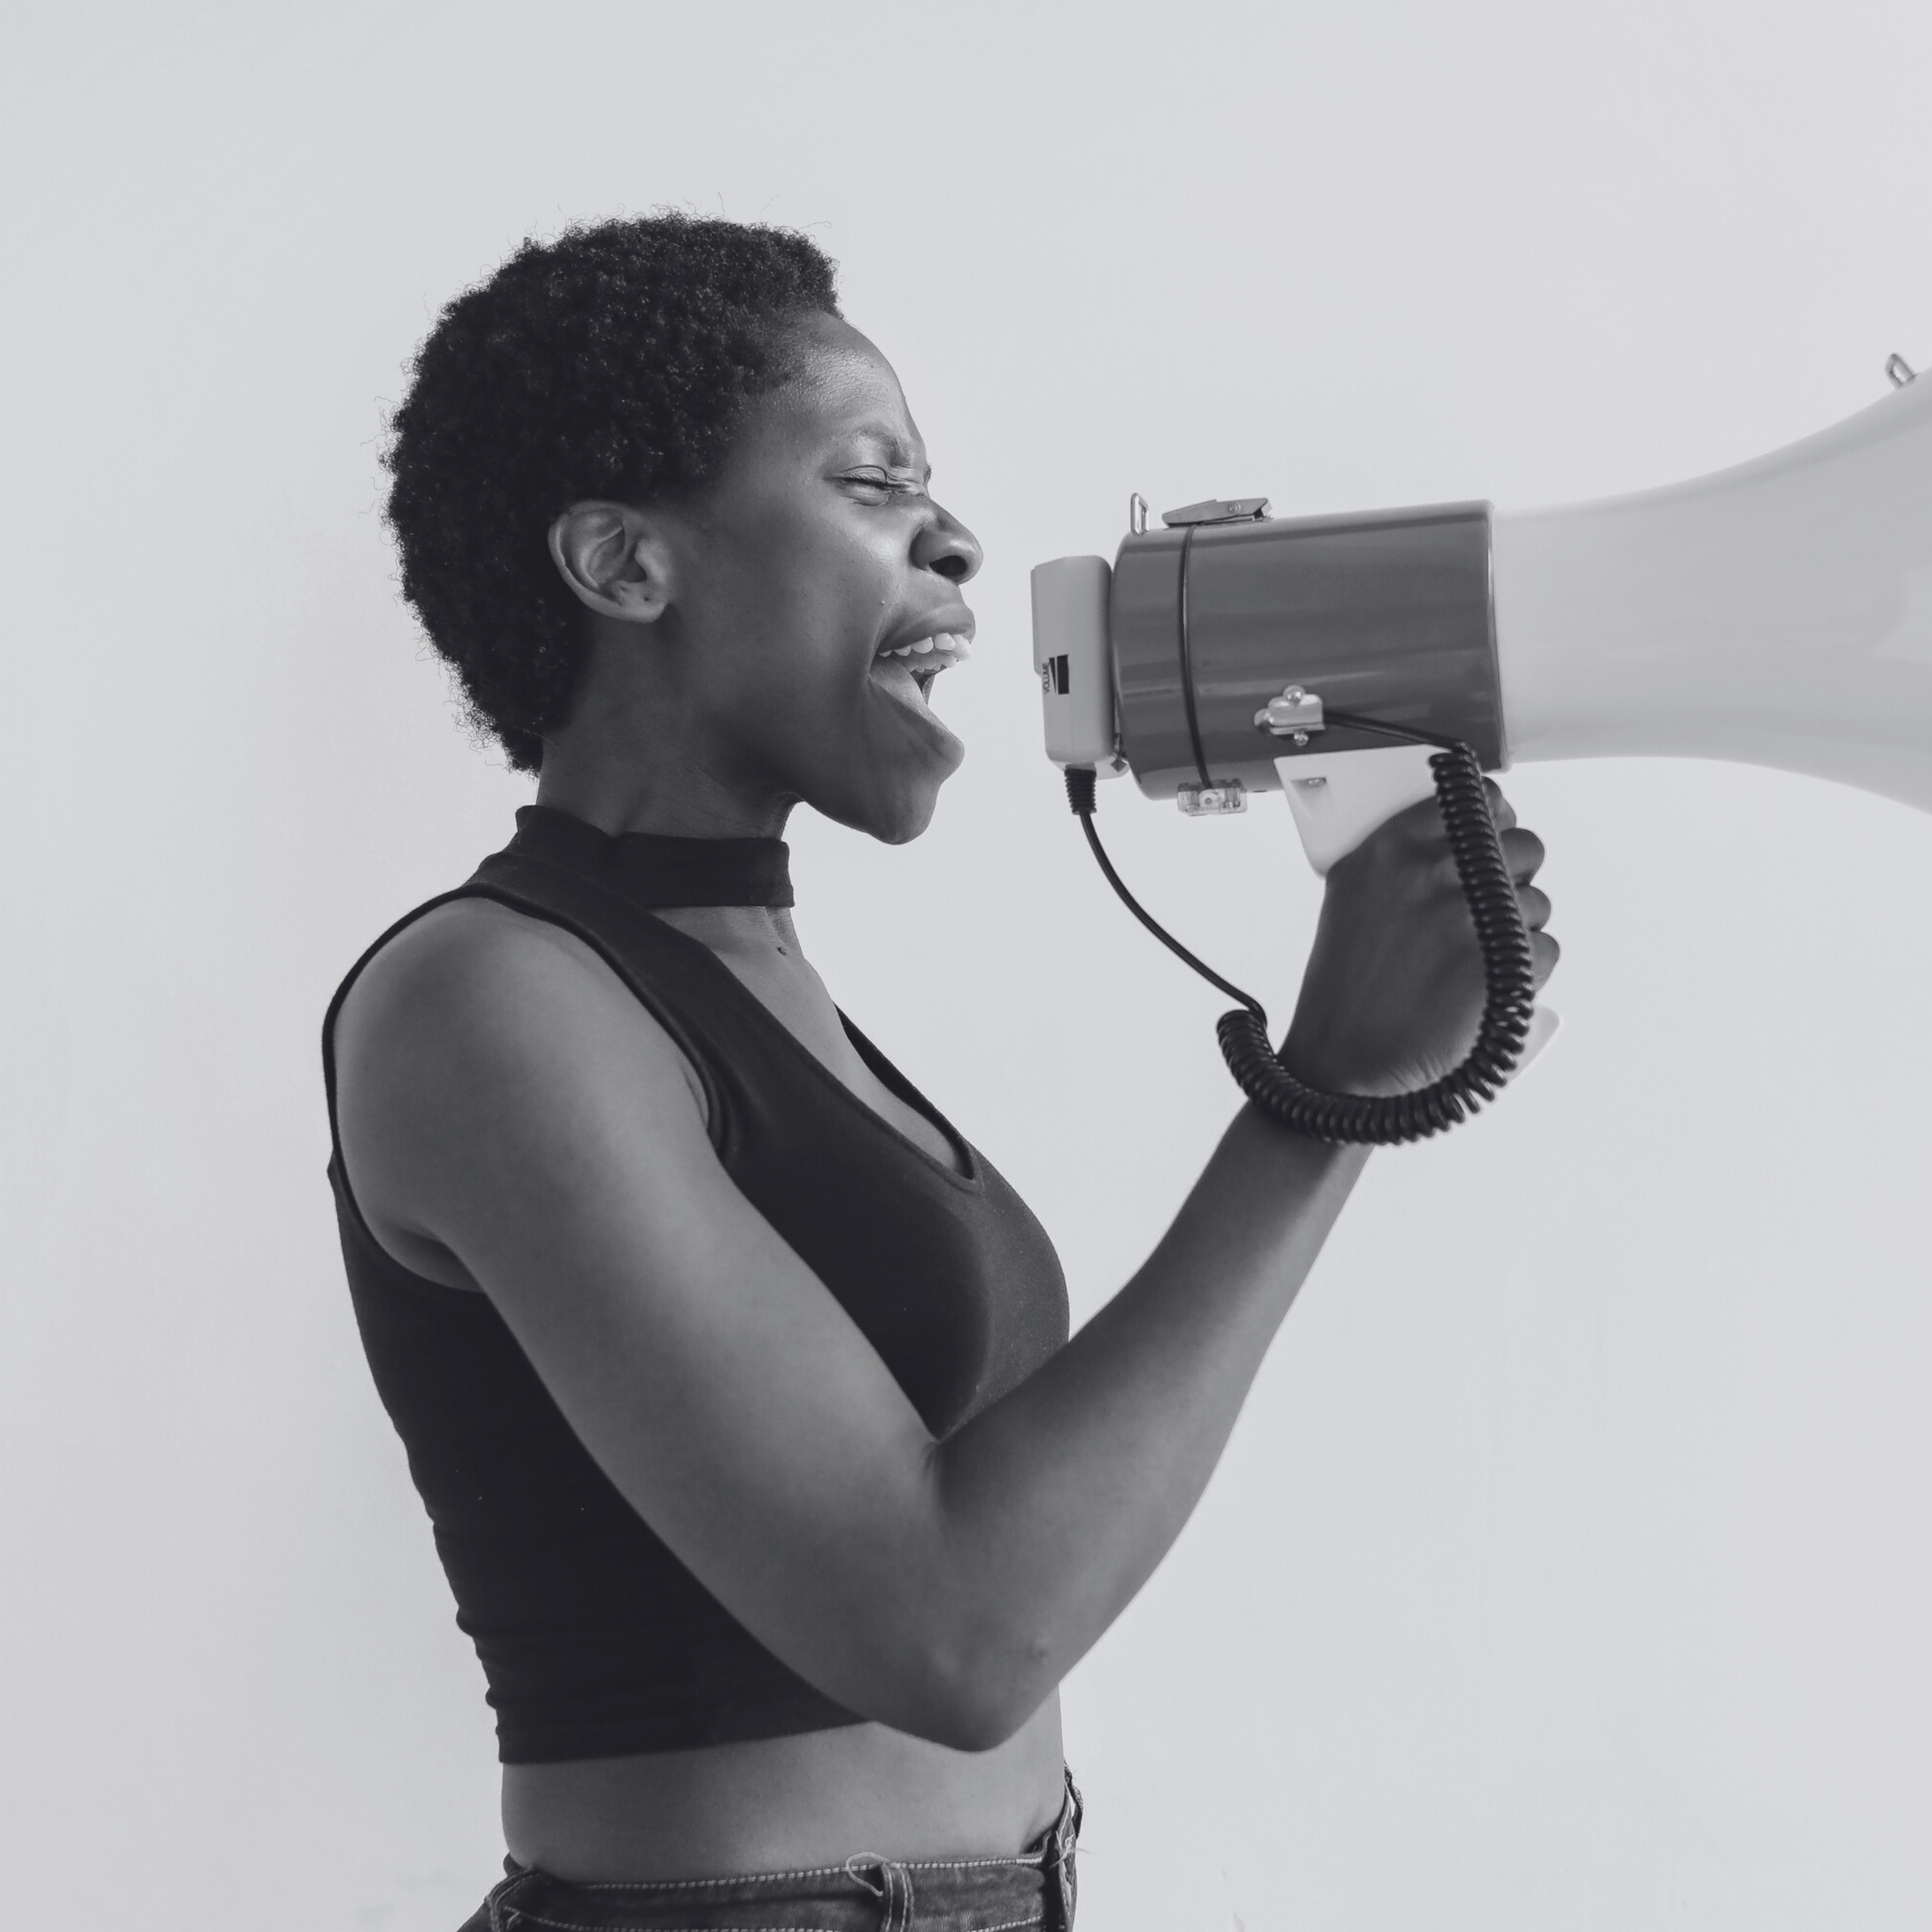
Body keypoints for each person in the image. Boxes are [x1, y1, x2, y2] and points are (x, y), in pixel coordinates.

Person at [323, 214, 1557, 1932]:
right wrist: (1325, 1095)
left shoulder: (750, 985)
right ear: (624, 564)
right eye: (872, 481)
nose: (960, 539)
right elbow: (955, 1635)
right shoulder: (490, 1001)